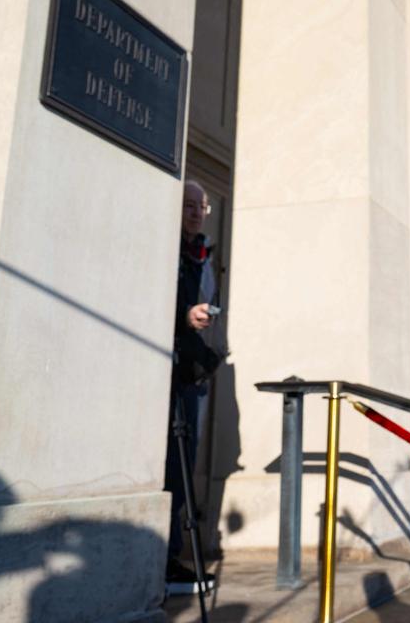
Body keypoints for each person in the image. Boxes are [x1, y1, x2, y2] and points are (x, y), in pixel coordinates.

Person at [164, 179, 223, 592]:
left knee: (183, 461)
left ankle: (173, 556)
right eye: (188, 204)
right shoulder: (165, 245)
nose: (195, 211)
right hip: (164, 364)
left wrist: (202, 316)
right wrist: (183, 316)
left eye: (200, 205)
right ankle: (165, 559)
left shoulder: (203, 253)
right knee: (168, 462)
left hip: (191, 373)